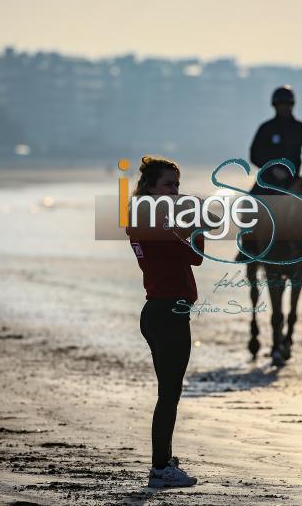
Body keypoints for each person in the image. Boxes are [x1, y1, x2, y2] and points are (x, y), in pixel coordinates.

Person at [125, 156, 203, 488]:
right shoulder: (155, 227)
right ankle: (160, 468)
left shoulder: (142, 221)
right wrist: (199, 224)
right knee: (169, 393)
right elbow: (196, 256)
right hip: (168, 313)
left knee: (168, 391)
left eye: (177, 185)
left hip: (158, 310)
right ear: (151, 188)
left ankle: (164, 459)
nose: (175, 191)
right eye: (168, 185)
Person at [248, 85, 302, 264]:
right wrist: (272, 168)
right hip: (268, 180)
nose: (285, 106)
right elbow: (254, 154)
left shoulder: (301, 128)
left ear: (293, 104)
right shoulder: (266, 128)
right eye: (281, 103)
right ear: (274, 105)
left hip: (294, 181)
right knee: (249, 205)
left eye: (288, 103)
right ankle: (248, 248)